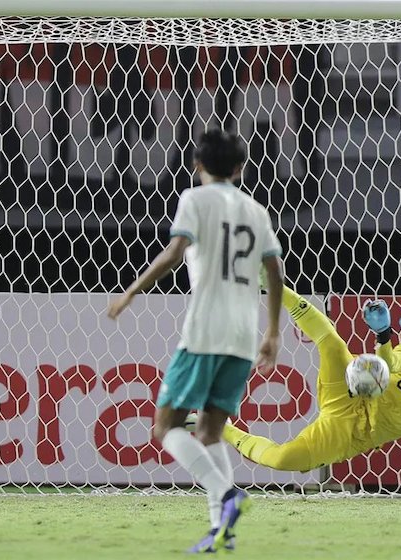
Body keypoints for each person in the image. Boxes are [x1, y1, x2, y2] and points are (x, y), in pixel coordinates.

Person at [107, 129, 284, 553]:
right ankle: (222, 528)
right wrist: (273, 333)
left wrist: (131, 291)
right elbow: (274, 271)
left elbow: (173, 253)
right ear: (241, 168)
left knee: (165, 426)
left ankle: (227, 496)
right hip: (243, 336)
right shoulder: (257, 210)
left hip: (205, 330)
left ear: (197, 165)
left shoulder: (193, 199)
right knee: (209, 432)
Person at [215, 286, 401, 473]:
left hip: (354, 431)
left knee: (286, 460)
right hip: (351, 391)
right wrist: (384, 335)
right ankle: (273, 283)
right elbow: (388, 365)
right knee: (331, 343)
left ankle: (223, 427)